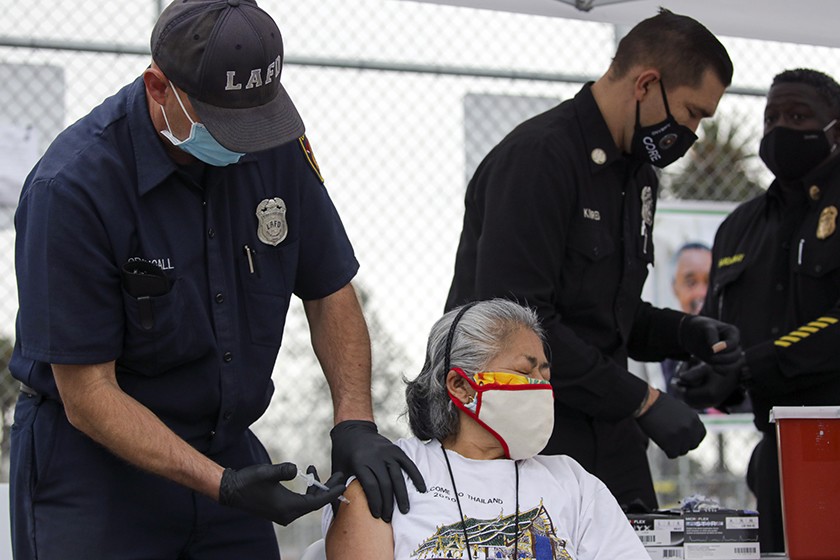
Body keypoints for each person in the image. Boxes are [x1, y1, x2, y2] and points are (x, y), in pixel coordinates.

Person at [8, 1, 423, 558]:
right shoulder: (73, 187)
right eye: (226, 125)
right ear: (159, 87)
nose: (245, 142)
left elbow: (330, 290)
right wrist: (221, 484)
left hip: (224, 446)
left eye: (257, 121)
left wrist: (354, 421)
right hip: (95, 468)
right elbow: (88, 396)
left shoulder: (273, 146)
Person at [445, 8, 742, 511]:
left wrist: (685, 333)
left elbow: (608, 314)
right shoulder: (540, 158)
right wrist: (643, 401)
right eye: (693, 112)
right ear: (647, 83)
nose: (690, 133)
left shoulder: (638, 176)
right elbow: (518, 326)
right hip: (521, 434)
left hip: (606, 428)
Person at [323, 299, 649, 559]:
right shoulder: (391, 472)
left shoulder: (573, 483)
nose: (542, 387)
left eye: (546, 375)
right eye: (525, 372)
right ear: (462, 387)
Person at [674, 68, 840, 552]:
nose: (781, 129)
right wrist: (709, 369)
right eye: (771, 118)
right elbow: (721, 331)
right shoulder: (739, 228)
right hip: (781, 452)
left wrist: (750, 364)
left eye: (799, 115)